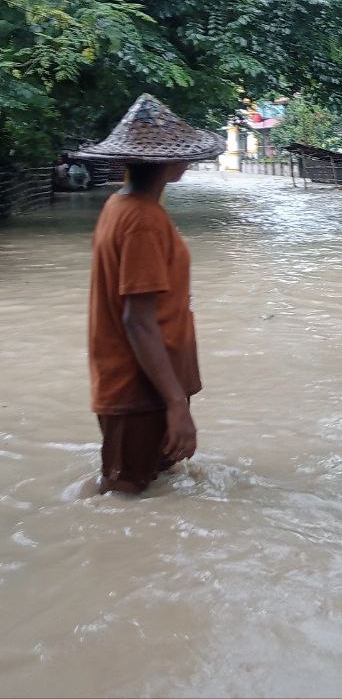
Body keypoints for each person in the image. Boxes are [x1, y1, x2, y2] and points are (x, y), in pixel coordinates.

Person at [75, 94, 223, 494]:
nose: (188, 161)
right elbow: (137, 321)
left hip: (153, 384)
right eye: (182, 155)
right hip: (140, 388)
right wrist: (176, 404)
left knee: (151, 494)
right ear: (166, 164)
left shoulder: (123, 206)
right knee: (125, 495)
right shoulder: (141, 220)